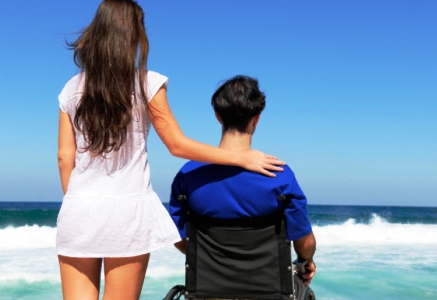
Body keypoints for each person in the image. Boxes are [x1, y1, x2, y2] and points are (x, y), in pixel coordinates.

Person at [56, 1, 284, 299]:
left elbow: (64, 157)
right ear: (133, 34)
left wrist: (77, 202)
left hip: (78, 208)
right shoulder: (147, 83)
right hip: (127, 211)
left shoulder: (71, 88)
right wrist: (241, 157)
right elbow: (177, 145)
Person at [169, 75, 317, 288]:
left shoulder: (188, 174)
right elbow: (304, 240)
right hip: (270, 289)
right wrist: (306, 260)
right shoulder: (279, 174)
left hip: (208, 289)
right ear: (256, 119)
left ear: (218, 117)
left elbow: (177, 236)